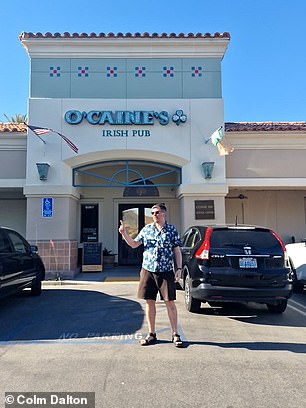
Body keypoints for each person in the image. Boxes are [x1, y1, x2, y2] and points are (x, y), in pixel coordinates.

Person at [118, 203, 184, 347]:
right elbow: (134, 244)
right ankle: (151, 334)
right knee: (149, 302)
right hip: (148, 270)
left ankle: (175, 334)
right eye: (153, 213)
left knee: (170, 302)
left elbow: (177, 251)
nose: (154, 215)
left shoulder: (171, 230)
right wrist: (124, 234)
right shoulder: (147, 229)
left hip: (166, 271)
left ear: (164, 214)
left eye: (157, 212)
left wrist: (178, 268)